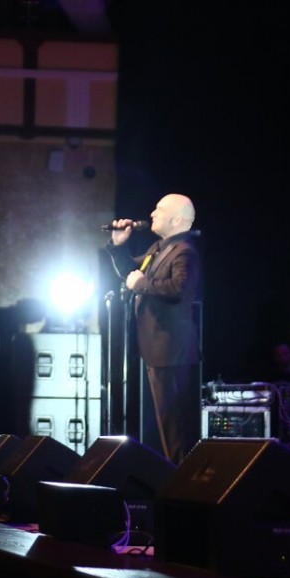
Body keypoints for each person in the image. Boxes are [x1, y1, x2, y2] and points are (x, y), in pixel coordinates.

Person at [106, 194, 201, 464]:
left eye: (159, 209)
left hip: (171, 350)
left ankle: (182, 476)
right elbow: (131, 273)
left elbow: (179, 289)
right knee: (165, 424)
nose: (152, 214)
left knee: (176, 427)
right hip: (155, 349)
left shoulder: (184, 251)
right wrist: (118, 246)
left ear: (177, 220)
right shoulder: (159, 248)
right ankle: (174, 473)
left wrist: (142, 285)